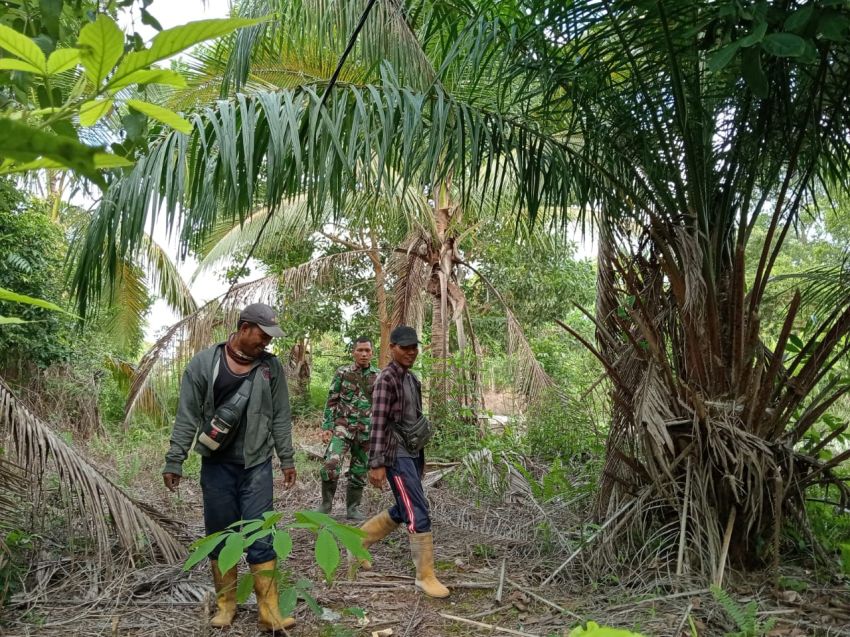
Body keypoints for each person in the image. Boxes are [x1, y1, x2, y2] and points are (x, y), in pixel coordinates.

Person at [162, 303, 297, 631]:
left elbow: (280, 415)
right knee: (220, 534)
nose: (266, 342)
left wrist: (287, 458)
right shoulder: (203, 364)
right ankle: (226, 605)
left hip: (257, 465)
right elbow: (187, 416)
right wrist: (175, 459)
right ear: (244, 328)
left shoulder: (270, 368)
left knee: (261, 535)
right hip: (217, 466)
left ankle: (269, 612)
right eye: (262, 335)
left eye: (269, 337)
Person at [357, 325, 450, 598]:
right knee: (417, 509)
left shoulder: (411, 379)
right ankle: (425, 576)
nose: (411, 352)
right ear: (392, 348)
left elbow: (413, 420)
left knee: (405, 505)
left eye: (414, 347)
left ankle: (358, 541)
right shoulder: (386, 379)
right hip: (395, 455)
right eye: (405, 347)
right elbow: (377, 422)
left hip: (412, 453)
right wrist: (376, 463)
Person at [316, 336, 379, 520]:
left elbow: (383, 406)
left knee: (359, 471)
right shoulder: (343, 372)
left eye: (367, 350)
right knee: (330, 465)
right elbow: (332, 400)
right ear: (353, 352)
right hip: (342, 429)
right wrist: (327, 427)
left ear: (372, 353)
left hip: (366, 431)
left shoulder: (379, 376)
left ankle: (352, 508)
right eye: (360, 350)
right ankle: (325, 505)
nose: (364, 354)